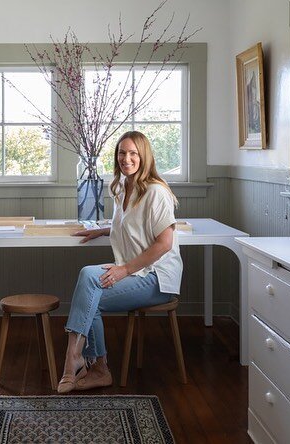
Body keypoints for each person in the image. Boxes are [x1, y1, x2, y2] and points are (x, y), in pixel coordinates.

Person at [57, 131, 183, 393]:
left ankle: (78, 362)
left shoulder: (156, 192)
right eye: (122, 153)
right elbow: (130, 225)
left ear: (144, 156)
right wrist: (104, 230)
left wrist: (124, 269)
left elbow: (165, 243)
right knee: (88, 288)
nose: (126, 158)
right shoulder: (121, 188)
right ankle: (91, 365)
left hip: (157, 278)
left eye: (133, 153)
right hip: (137, 274)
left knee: (88, 287)